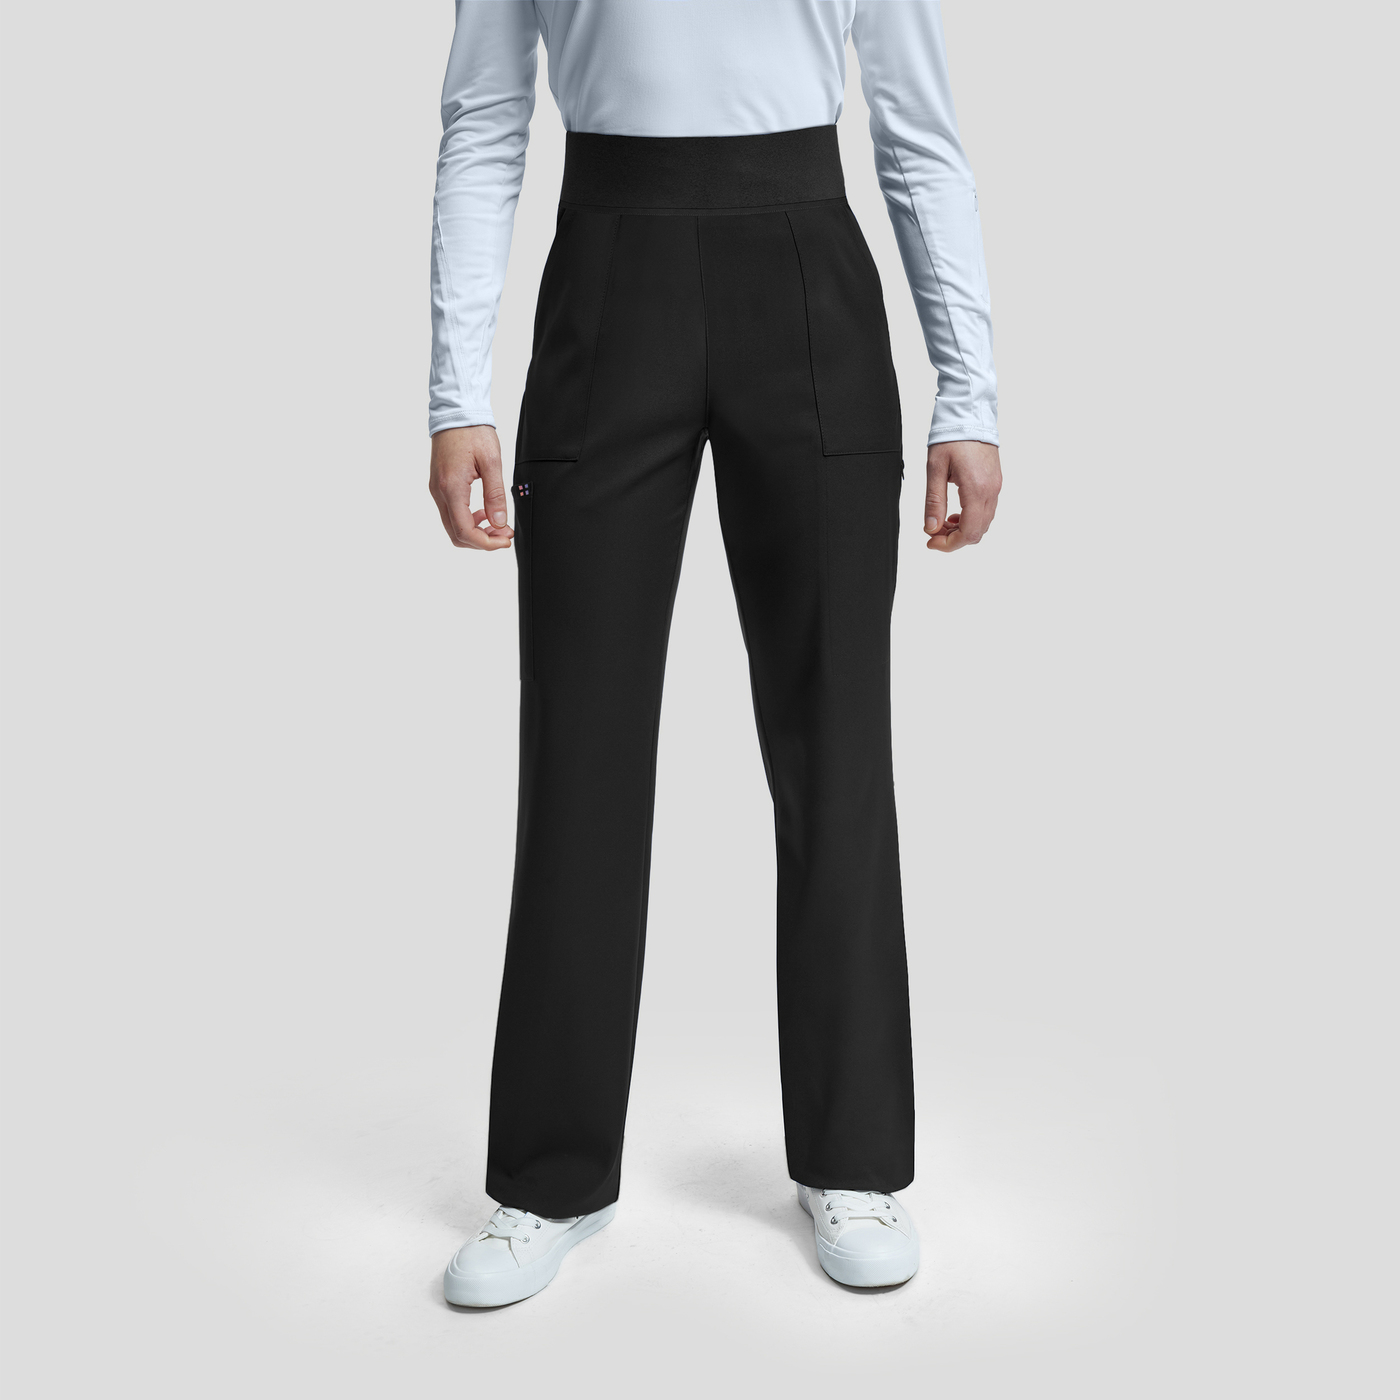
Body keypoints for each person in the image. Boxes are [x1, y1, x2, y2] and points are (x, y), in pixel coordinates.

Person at [427, 0, 1001, 1308]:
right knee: (578, 743)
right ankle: (549, 1178)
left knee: (835, 738)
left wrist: (969, 391)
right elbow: (485, 119)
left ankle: (855, 1160)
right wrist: (457, 391)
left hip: (804, 284)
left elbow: (917, 130)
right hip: (606, 274)